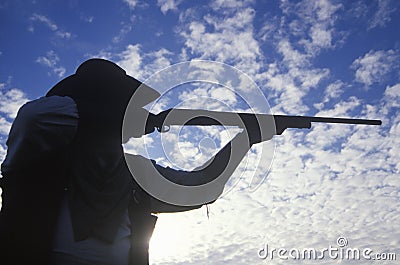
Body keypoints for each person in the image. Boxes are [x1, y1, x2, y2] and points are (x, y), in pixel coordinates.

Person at [0, 59, 271, 265]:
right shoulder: (38, 154)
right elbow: (35, 115)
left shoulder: (135, 171)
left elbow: (202, 187)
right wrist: (136, 120)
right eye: (123, 105)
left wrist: (244, 140)